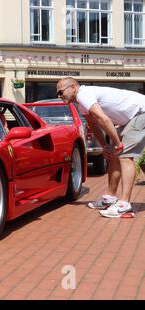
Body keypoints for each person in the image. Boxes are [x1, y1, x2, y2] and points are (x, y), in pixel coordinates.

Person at [56, 77, 145, 218]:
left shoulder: (83, 94)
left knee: (124, 155)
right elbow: (93, 124)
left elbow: (104, 119)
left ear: (73, 87)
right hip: (129, 119)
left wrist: (117, 143)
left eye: (61, 92)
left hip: (140, 112)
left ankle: (124, 205)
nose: (59, 96)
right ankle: (110, 198)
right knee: (115, 155)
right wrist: (105, 146)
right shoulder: (80, 104)